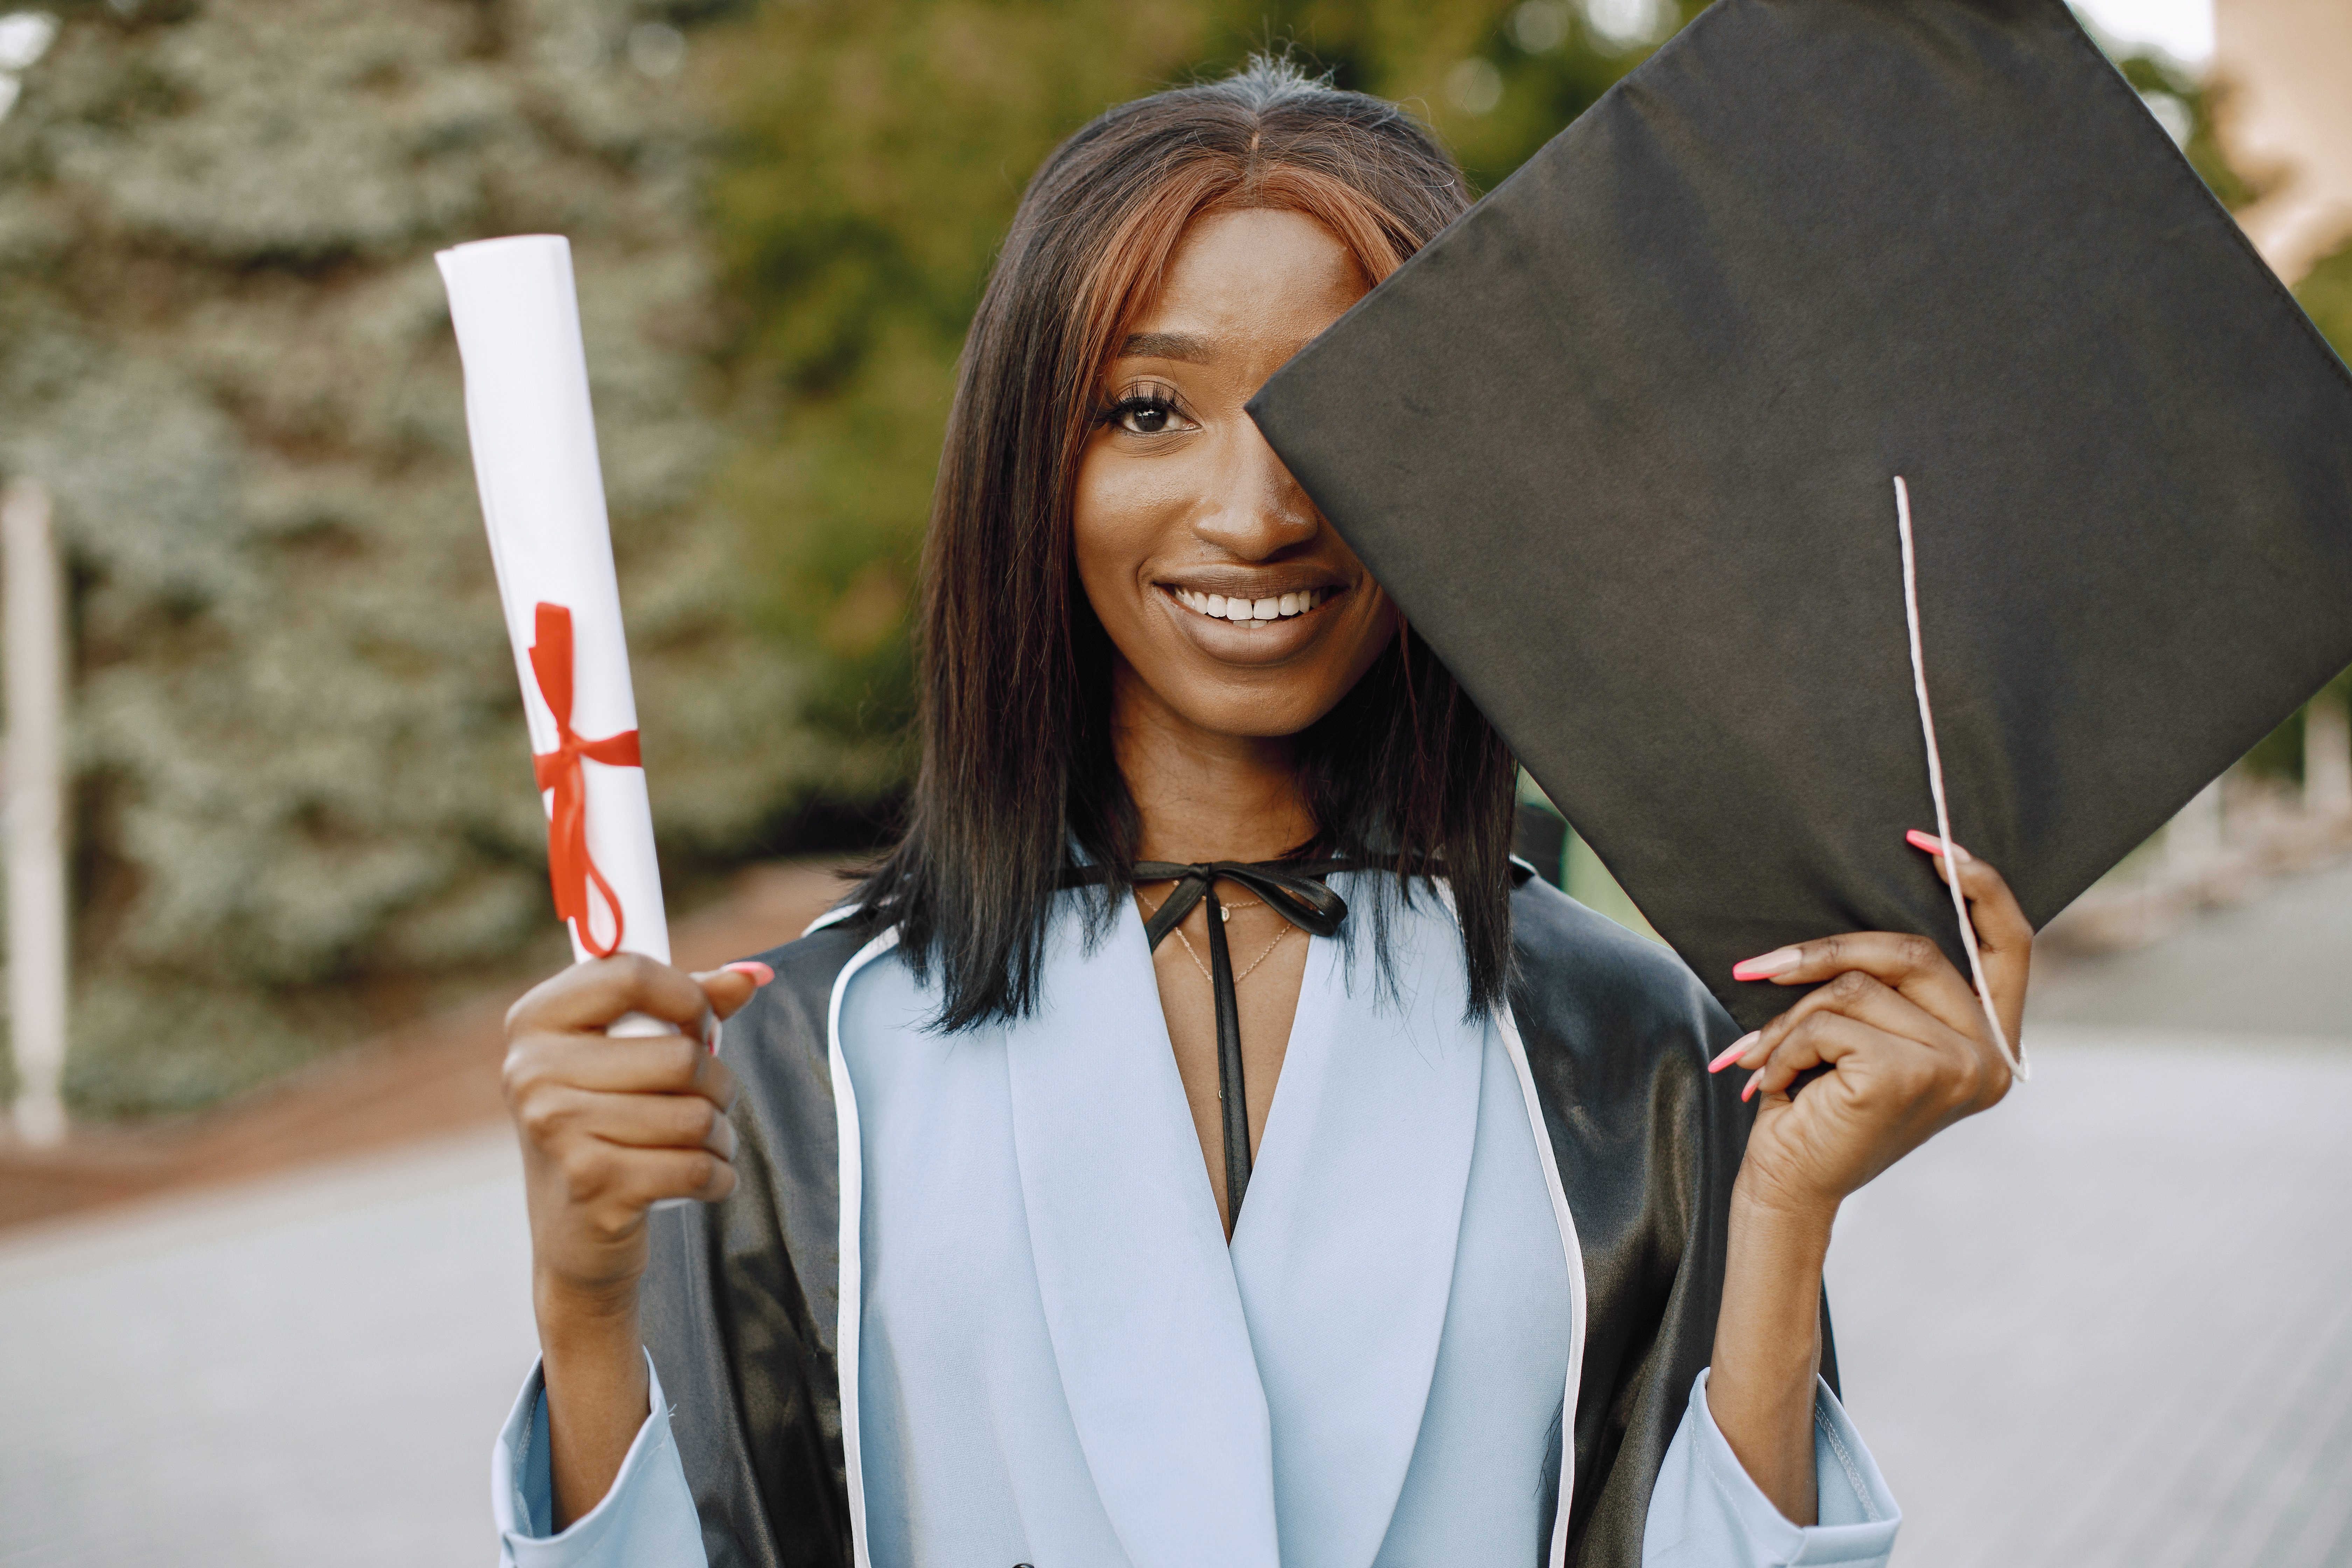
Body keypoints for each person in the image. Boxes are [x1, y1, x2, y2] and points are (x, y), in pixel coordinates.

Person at [490, 59, 2026, 1568]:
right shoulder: (798, 1055)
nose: (1256, 510)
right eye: (1150, 410)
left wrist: (1787, 1213)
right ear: (1033, 461)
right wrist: (583, 1298)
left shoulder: (1637, 1047)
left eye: (1333, 410)